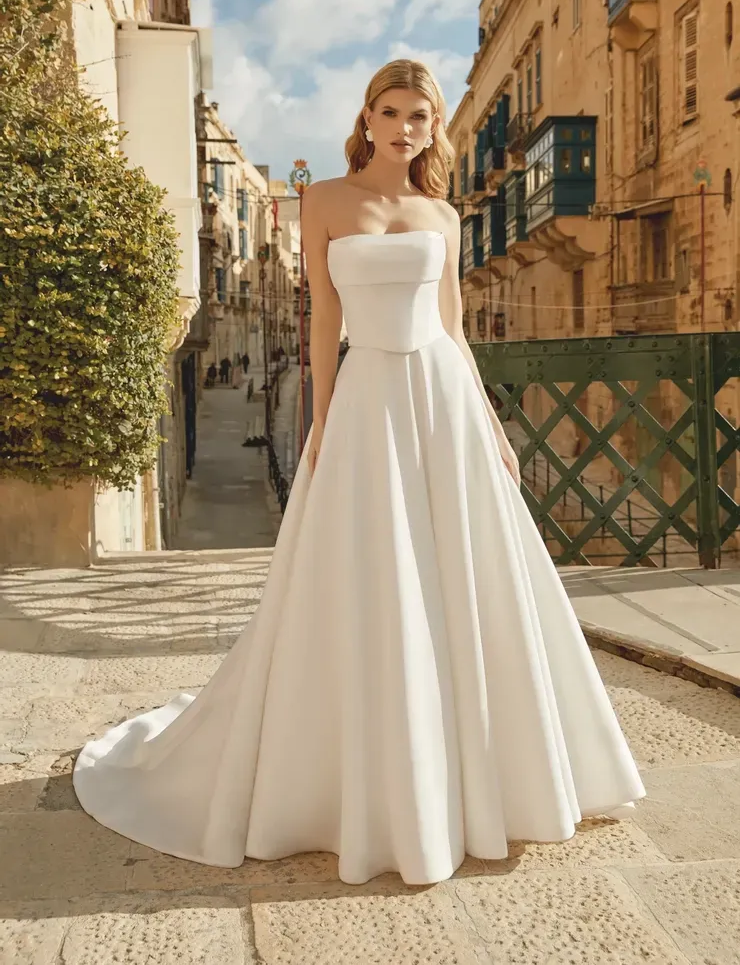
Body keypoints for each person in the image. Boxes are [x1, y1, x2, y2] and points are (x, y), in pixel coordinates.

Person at [72, 59, 645, 887]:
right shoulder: (324, 201)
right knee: (374, 570)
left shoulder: (442, 213)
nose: (406, 127)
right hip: (369, 394)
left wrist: (490, 423)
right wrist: (321, 420)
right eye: (392, 112)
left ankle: (487, 771)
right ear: (367, 119)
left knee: (466, 576)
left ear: (432, 128)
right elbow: (323, 323)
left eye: (421, 116)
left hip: (442, 399)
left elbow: (453, 328)